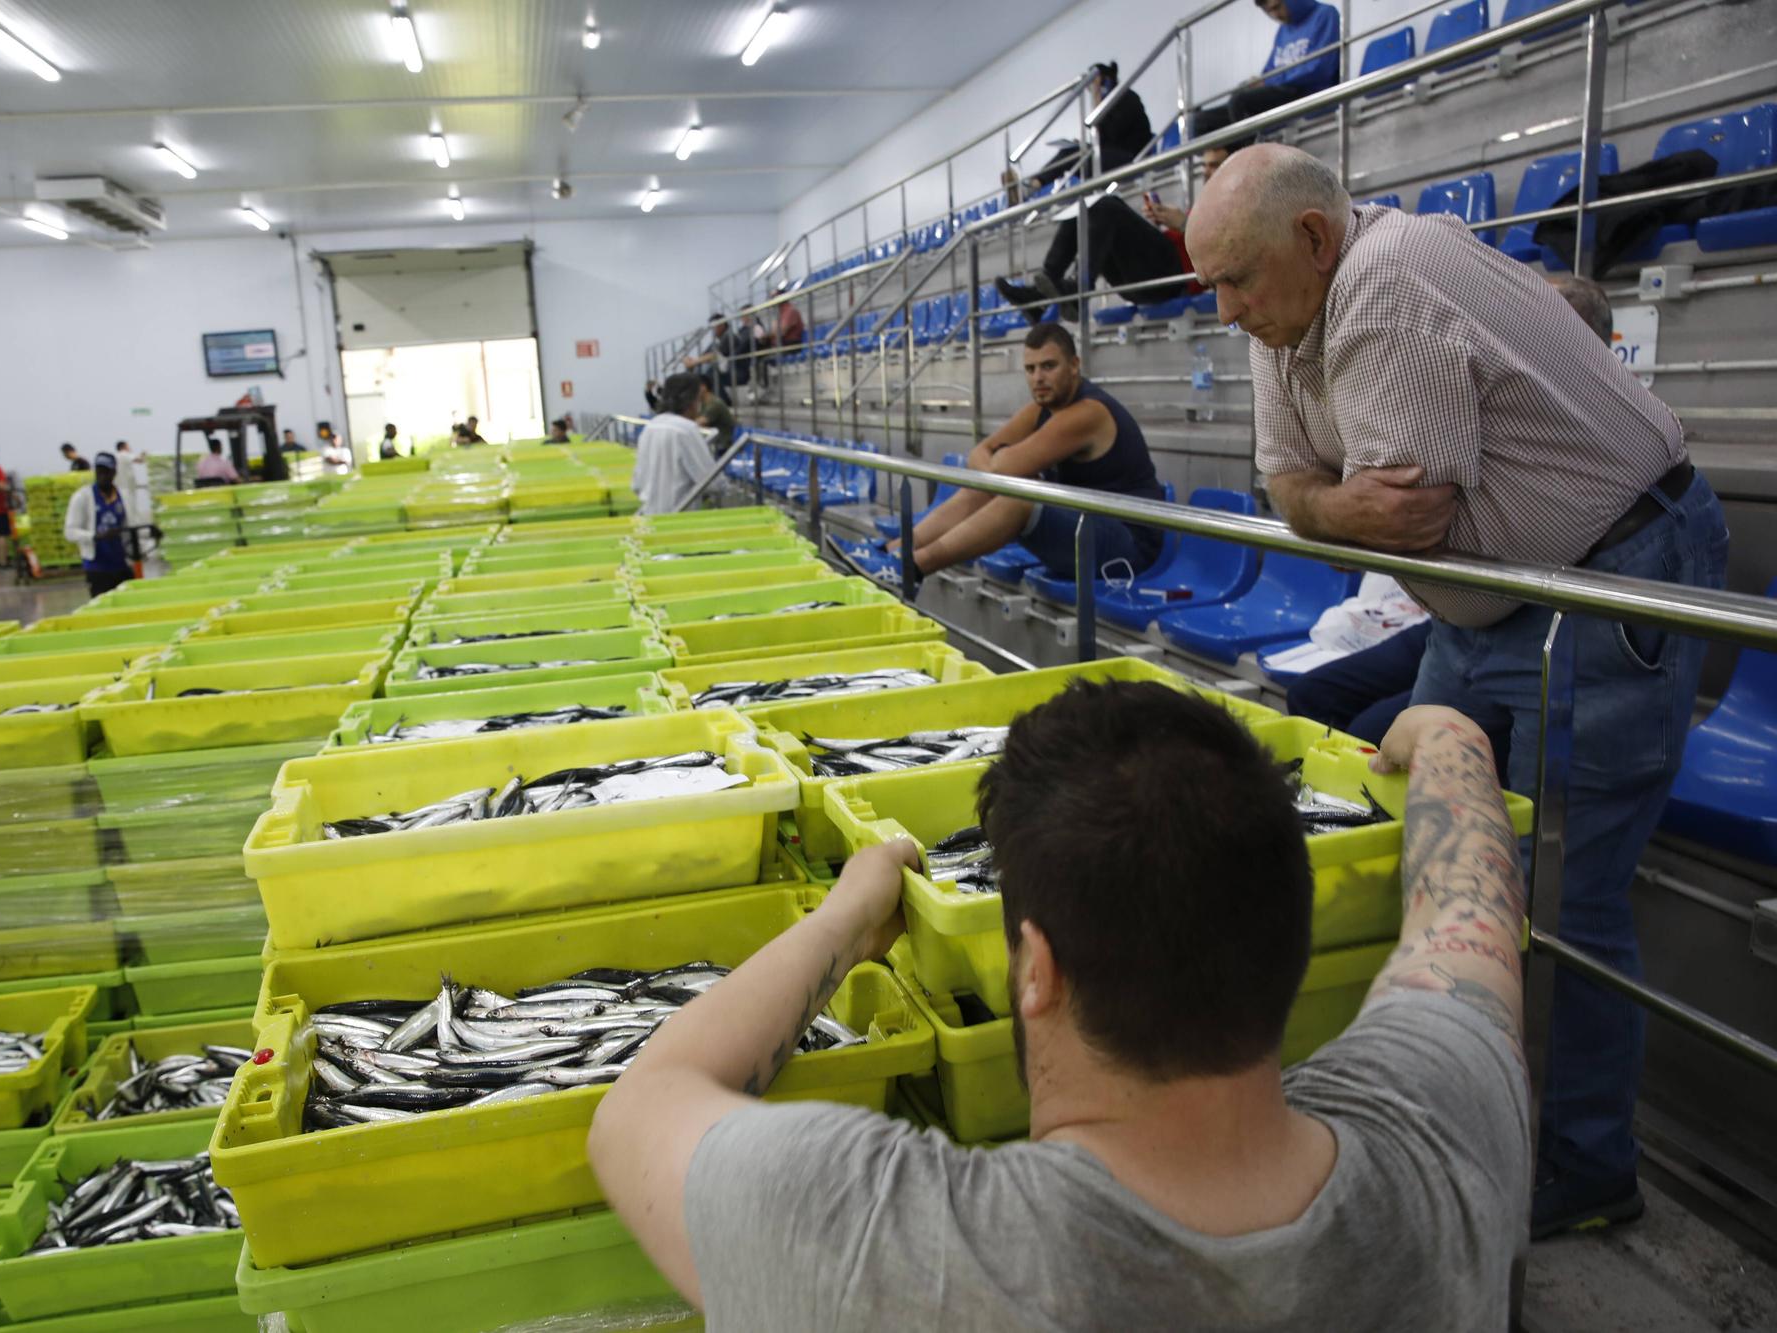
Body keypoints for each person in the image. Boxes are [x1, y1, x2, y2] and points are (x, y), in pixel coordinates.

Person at [592, 684, 1530, 1328]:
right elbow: (1467, 920)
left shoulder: (893, 1247)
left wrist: (847, 914)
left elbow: (644, 1103)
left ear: (1035, 967)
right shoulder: (1447, 1126)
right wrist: (1450, 734)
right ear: (1293, 928)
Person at [1187, 144, 1728, 1238]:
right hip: (1479, 605)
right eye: (1211, 286)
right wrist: (1325, 504)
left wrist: (1314, 499)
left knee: (1559, 895)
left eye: (1239, 278)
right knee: (1406, 819)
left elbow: (1412, 520)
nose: (1228, 309)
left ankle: (1580, 1171)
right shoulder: (1284, 312)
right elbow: (1292, 486)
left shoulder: (1387, 274)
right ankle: (1446, 1114)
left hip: (1607, 575)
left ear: (1311, 238)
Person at [1281, 272, 1619, 766]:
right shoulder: (1492, 408)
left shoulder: (1598, 441)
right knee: (1317, 696)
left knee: (1375, 735)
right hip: (1455, 621)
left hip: (1531, 628)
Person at [899, 322, 1163, 582]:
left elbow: (1000, 469)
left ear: (1074, 365)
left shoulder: (1089, 412)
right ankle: (896, 551)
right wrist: (996, 465)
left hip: (1128, 547)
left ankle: (912, 569)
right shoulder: (1042, 409)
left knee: (1019, 496)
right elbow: (979, 454)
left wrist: (998, 464)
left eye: (1049, 366)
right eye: (1030, 368)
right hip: (1084, 527)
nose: (1038, 378)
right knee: (986, 487)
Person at [999, 141, 1239, 321]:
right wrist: (1169, 221)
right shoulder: (1206, 202)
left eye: (1215, 165)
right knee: (1084, 208)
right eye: (1205, 165)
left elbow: (1232, 256)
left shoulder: (1240, 204)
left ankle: (1078, 288)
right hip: (1145, 275)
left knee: (1107, 206)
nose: (1207, 171)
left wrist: (1184, 225)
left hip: (1174, 278)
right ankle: (1040, 295)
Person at [995, 63, 1158, 319]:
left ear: (1103, 80)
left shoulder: (1124, 96)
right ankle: (1044, 290)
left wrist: (1097, 101)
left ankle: (1071, 287)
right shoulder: (1108, 102)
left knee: (1090, 186)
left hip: (1133, 157)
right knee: (1079, 197)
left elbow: (1108, 135)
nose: (1091, 89)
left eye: (1094, 83)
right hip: (1109, 157)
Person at [1192, 0, 1341, 139]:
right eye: (1269, 11)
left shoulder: (1325, 14)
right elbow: (1270, 71)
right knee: (1201, 122)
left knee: (1240, 101)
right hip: (1279, 94)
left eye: (1277, 7)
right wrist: (1259, 82)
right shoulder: (1283, 31)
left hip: (1305, 93)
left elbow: (1321, 68)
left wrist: (1270, 81)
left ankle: (1249, 154)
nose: (1276, 15)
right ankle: (1233, 151)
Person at [633, 373, 714, 515]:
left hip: (649, 514)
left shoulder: (650, 427)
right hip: (679, 514)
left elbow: (637, 484)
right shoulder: (686, 430)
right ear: (692, 402)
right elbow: (710, 480)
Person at [65, 451, 133, 597]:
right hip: (97, 566)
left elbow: (131, 526)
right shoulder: (82, 497)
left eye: (106, 471)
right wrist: (95, 536)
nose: (102, 475)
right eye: (99, 471)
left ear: (114, 472)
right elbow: (70, 531)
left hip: (121, 563)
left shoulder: (123, 497)